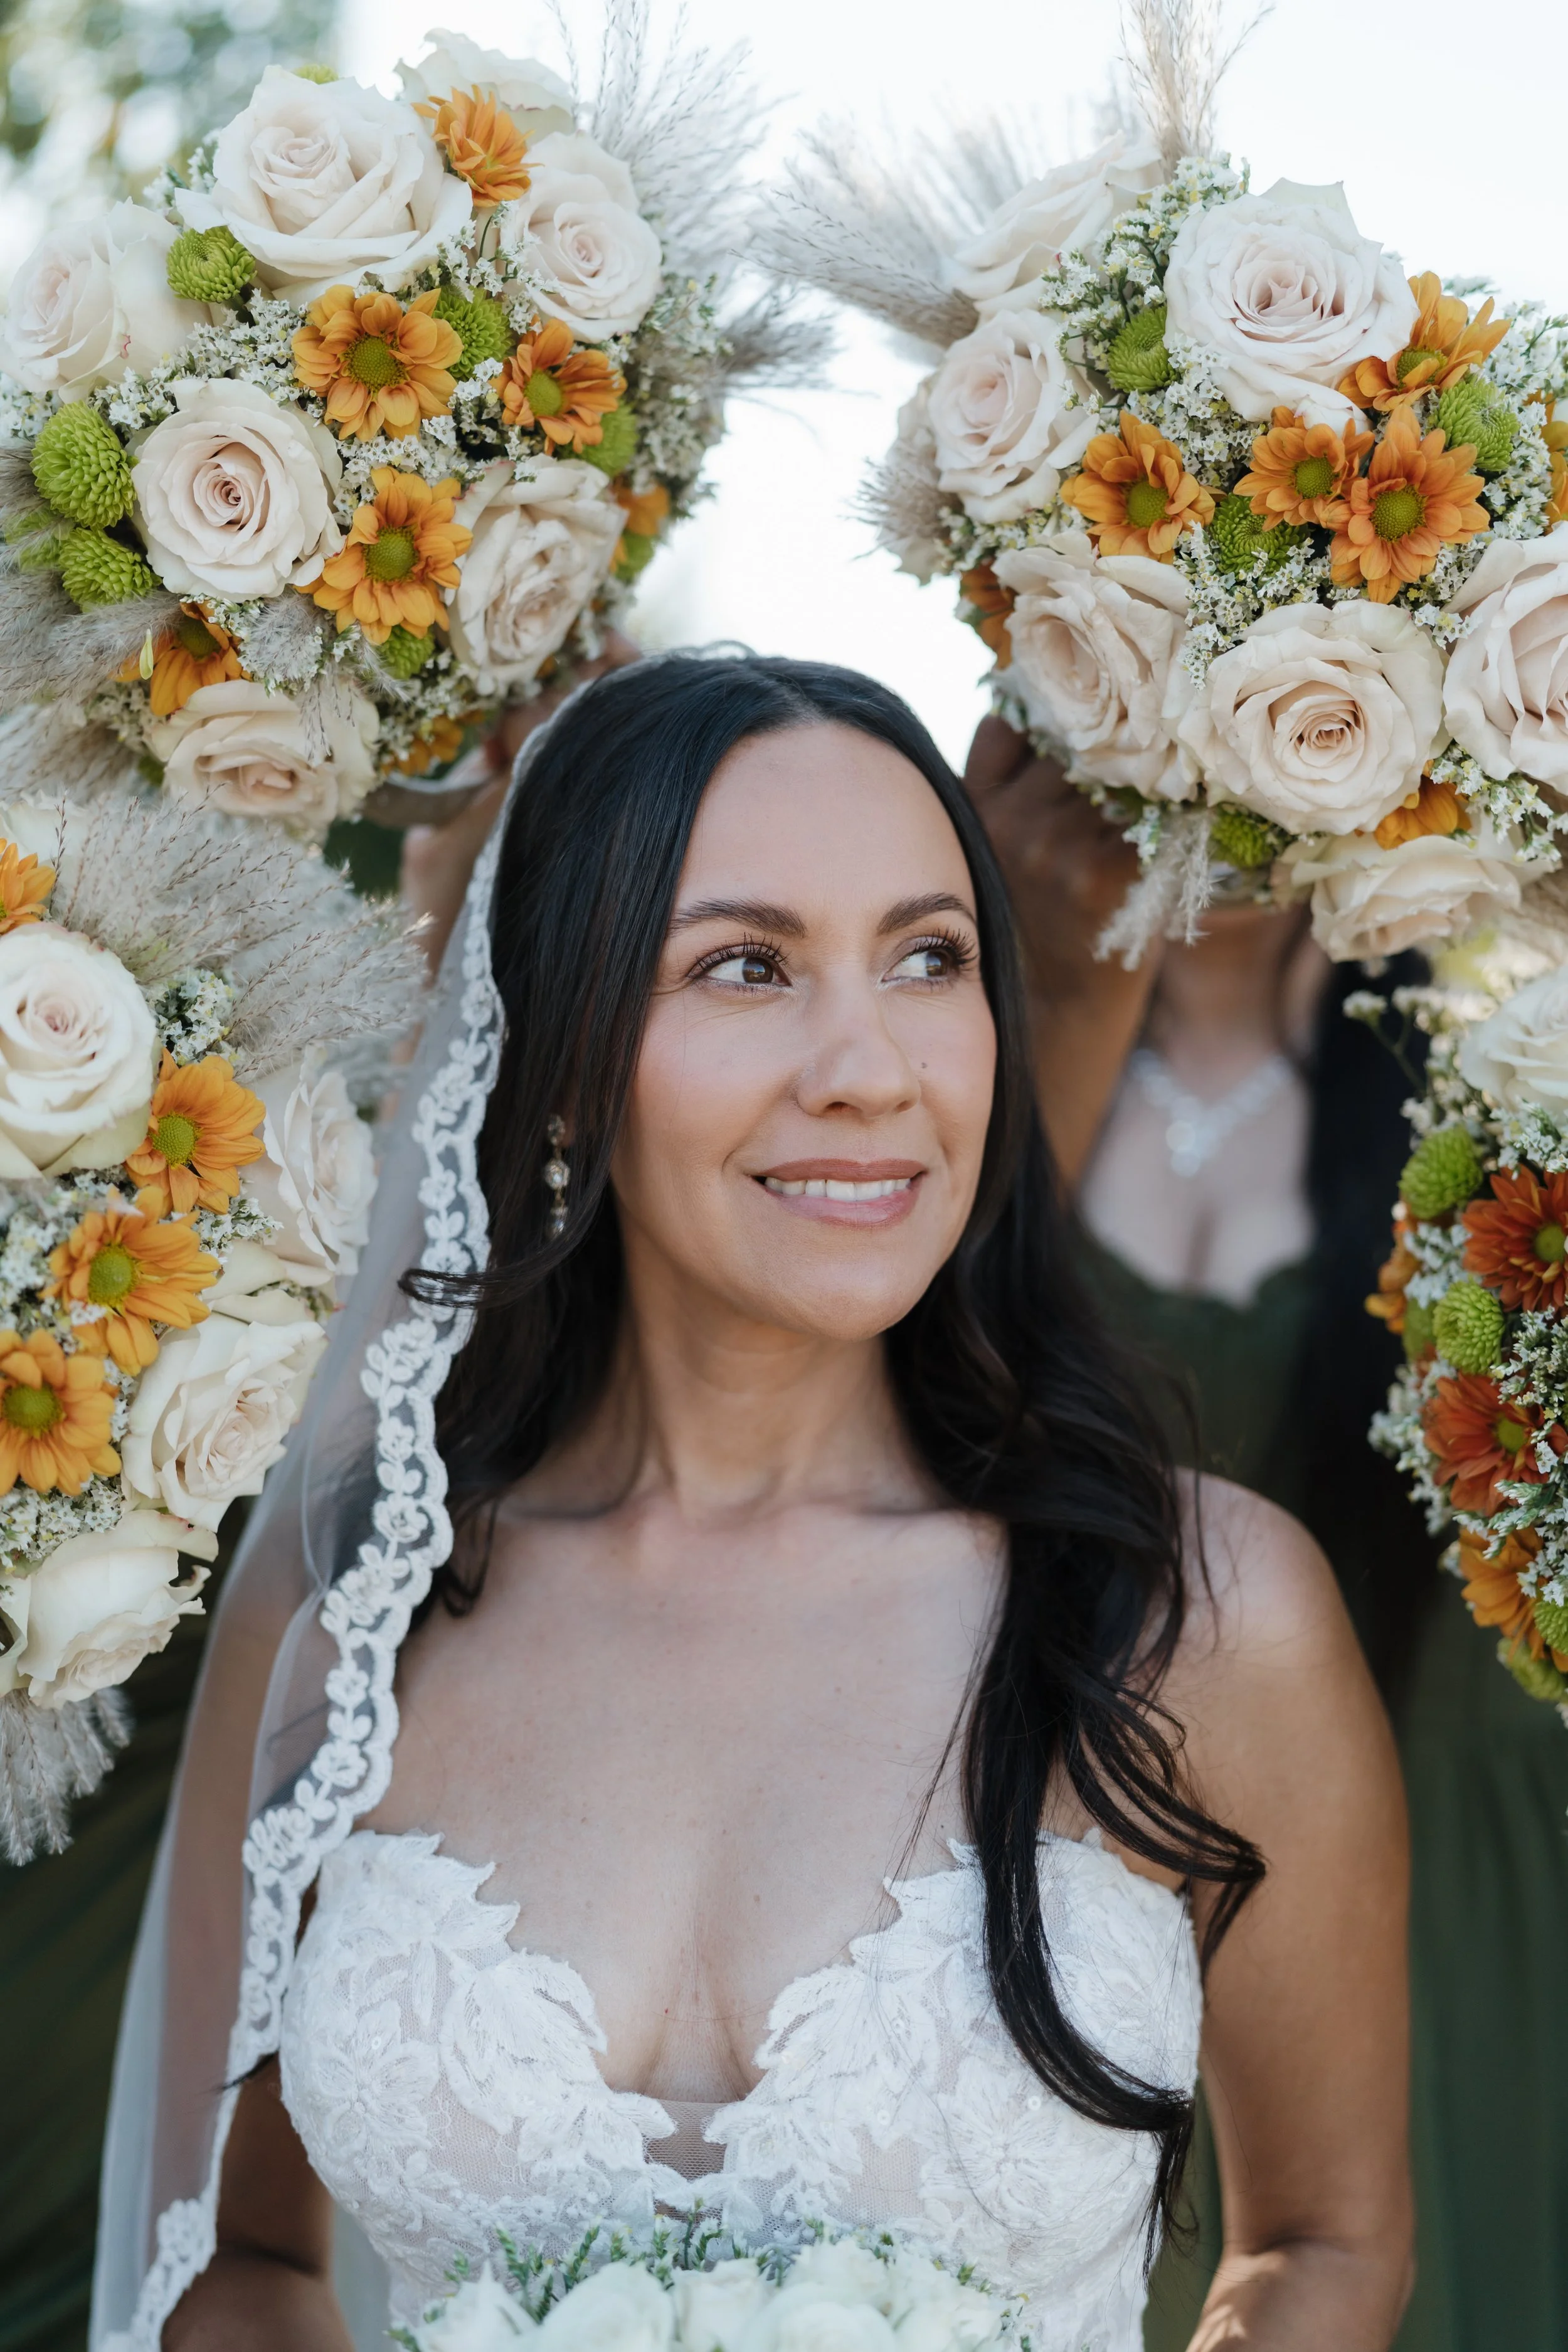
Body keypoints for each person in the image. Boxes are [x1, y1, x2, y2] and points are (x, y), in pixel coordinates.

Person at [97, 655, 1410, 2352]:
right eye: (745, 965)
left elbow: (1321, 2238)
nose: (869, 1066)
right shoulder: (350, 1610)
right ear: (561, 1057)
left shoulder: (1202, 1612)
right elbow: (231, 2255)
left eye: (928, 956)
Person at [964, 718, 1568, 2352]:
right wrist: (1056, 996)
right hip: (1119, 1924)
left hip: (1495, 1917)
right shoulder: (934, 1058)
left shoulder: (1505, 1049)